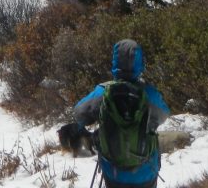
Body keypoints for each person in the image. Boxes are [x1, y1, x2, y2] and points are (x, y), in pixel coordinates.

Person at [59, 39, 169, 188]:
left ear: (115, 62)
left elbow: (79, 113)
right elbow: (163, 115)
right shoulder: (149, 94)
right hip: (145, 171)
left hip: (113, 171)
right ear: (139, 63)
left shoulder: (103, 92)